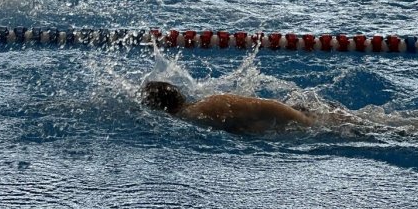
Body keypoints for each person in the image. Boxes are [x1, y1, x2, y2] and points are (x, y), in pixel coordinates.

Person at [141, 81, 358, 134]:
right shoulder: (199, 105)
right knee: (347, 120)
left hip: (281, 113)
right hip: (280, 109)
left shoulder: (195, 114)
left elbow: (238, 126)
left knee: (352, 129)